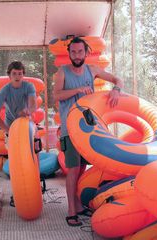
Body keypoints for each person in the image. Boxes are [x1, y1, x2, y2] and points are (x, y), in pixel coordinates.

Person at [53, 37, 124, 227]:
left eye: (80, 51)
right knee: (73, 169)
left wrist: (116, 90)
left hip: (88, 129)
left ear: (86, 53)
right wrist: (77, 90)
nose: (77, 55)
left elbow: (118, 79)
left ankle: (77, 204)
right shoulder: (63, 72)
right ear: (69, 54)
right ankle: (70, 212)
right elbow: (56, 95)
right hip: (70, 129)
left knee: (83, 168)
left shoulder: (92, 70)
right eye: (73, 52)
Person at [0, 61, 37, 135]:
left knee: (32, 139)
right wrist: (8, 130)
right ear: (9, 75)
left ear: (23, 75)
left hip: (26, 125)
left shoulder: (29, 86)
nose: (17, 76)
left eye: (20, 73)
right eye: (14, 73)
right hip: (10, 125)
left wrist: (27, 111)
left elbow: (33, 106)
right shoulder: (4, 90)